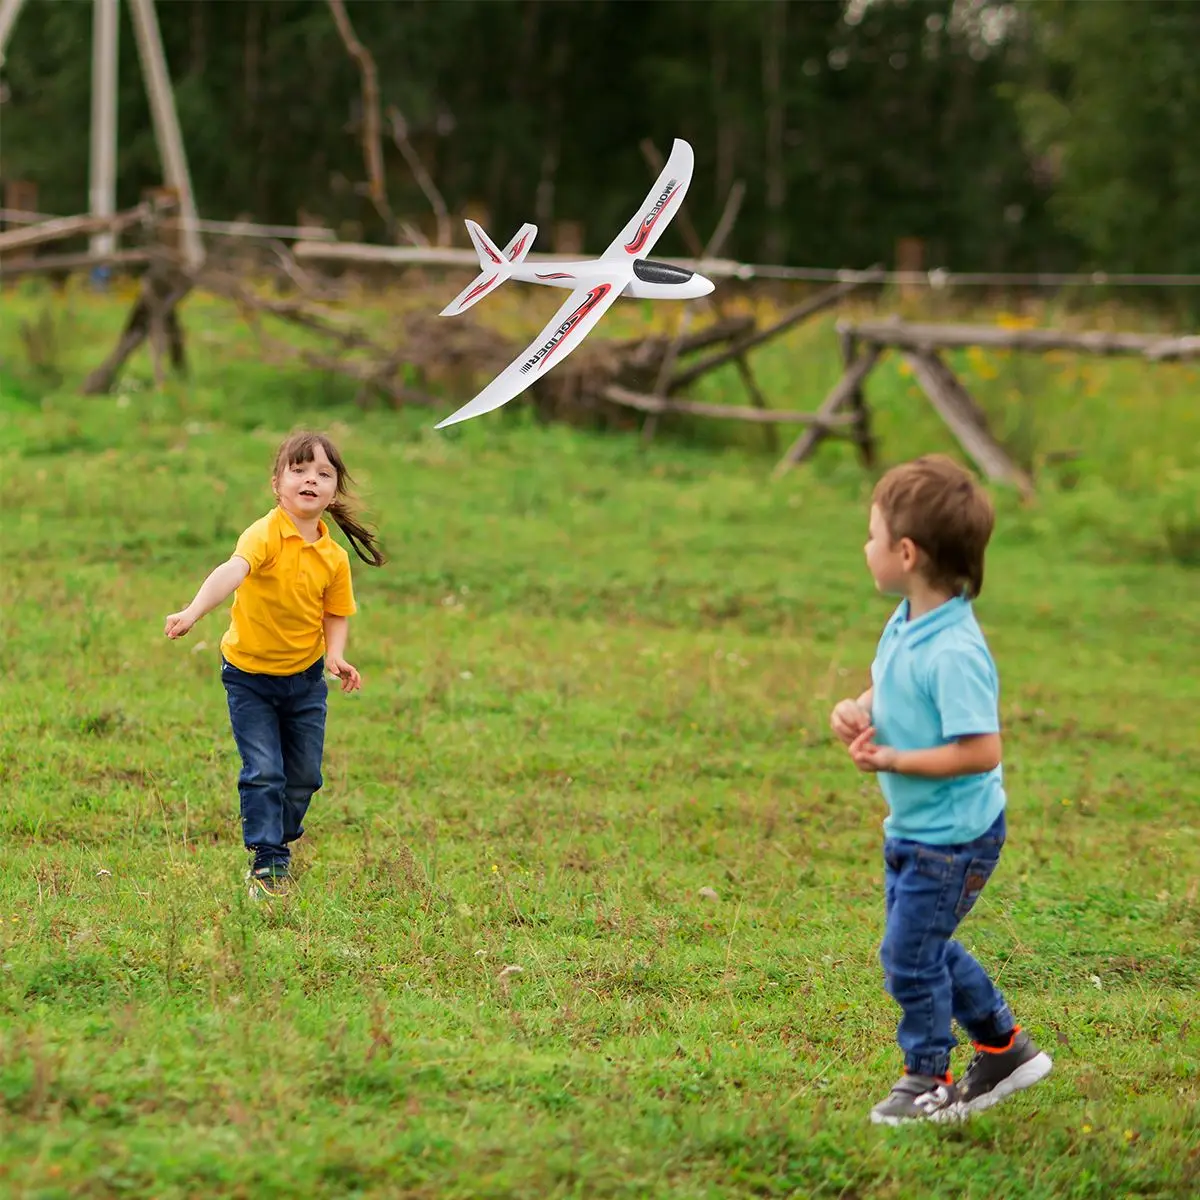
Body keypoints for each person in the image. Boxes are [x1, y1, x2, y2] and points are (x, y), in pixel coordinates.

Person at [829, 455, 1051, 1124]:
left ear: (905, 551)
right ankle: (1006, 1048)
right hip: (917, 828)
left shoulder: (956, 650)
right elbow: (895, 687)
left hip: (954, 837)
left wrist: (896, 755)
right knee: (922, 945)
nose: (864, 547)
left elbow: (981, 749)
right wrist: (861, 708)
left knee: (908, 954)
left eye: (871, 535)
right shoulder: (908, 621)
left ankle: (928, 1078)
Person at [165, 431, 385, 896]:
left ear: (333, 490)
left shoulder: (333, 557)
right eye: (300, 470)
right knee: (264, 769)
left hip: (304, 681)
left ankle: (277, 842)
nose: (311, 480)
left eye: (323, 474)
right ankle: (268, 858)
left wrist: (337, 655)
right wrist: (192, 611)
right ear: (277, 484)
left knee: (304, 777)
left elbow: (336, 612)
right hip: (249, 678)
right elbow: (233, 570)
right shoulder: (264, 534)